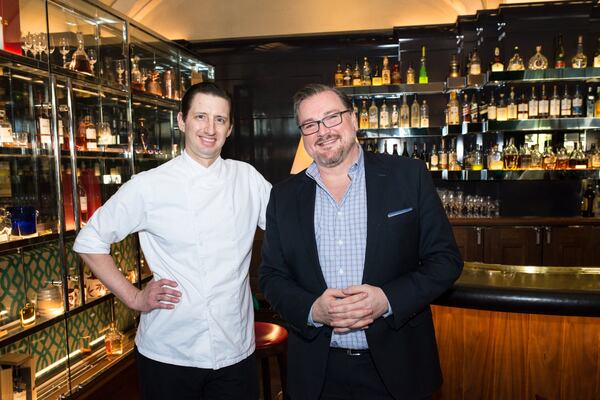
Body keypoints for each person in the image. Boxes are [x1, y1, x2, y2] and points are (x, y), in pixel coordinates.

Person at [259, 83, 463, 400]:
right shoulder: (283, 196)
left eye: (331, 118)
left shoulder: (408, 175)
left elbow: (445, 260)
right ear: (303, 135)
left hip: (399, 369)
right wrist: (313, 309)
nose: (322, 131)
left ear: (353, 120)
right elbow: (271, 276)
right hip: (317, 373)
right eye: (310, 125)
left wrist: (388, 300)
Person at [74, 82, 271, 400]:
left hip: (236, 349)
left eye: (220, 119)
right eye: (200, 117)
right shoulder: (148, 186)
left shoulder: (247, 178)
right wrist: (134, 298)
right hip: (169, 353)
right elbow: (90, 240)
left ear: (230, 128)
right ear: (181, 121)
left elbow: (288, 228)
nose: (210, 128)